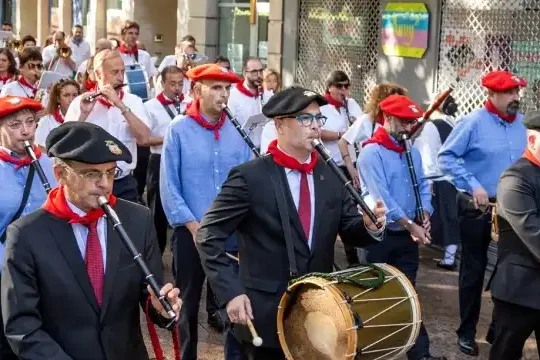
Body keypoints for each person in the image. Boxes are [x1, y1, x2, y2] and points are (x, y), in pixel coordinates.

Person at [196, 86, 387, 359]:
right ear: (280, 125)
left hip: (315, 314)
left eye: (318, 119)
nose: (315, 126)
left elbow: (349, 229)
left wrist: (368, 225)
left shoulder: (331, 174)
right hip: (261, 314)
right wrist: (231, 292)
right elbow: (208, 235)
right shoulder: (250, 177)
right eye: (305, 119)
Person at [1, 121, 181, 359]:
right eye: (91, 174)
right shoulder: (26, 234)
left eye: (110, 172)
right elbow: (21, 326)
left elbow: (149, 293)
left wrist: (163, 310)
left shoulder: (138, 219)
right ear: (60, 174)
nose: (105, 184)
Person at [160, 63, 252, 359]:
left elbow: (248, 181)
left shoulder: (239, 131)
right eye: (216, 87)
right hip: (191, 234)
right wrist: (192, 225)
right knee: (187, 303)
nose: (223, 94)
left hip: (231, 235)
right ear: (197, 90)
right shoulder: (178, 129)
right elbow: (169, 186)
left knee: (233, 301)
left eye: (227, 88)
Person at [438, 70, 527, 356]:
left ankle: (497, 327)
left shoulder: (523, 125)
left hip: (512, 209)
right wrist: (473, 184)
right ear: (492, 95)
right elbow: (446, 157)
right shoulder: (472, 123)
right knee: (473, 272)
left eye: (517, 91)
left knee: (508, 271)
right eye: (510, 92)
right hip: (478, 208)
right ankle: (466, 331)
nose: (516, 97)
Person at [358, 94, 445, 360]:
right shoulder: (371, 153)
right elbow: (382, 197)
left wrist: (426, 213)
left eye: (412, 122)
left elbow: (422, 186)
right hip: (380, 235)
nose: (410, 128)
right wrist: (410, 226)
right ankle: (365, 350)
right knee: (373, 296)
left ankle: (421, 354)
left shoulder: (412, 152)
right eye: (405, 123)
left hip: (406, 236)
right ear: (389, 119)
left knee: (408, 294)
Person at [0, 96, 57, 360]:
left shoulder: (49, 165)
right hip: (3, 271)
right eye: (15, 125)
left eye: (30, 123)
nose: (25, 131)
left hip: (44, 269)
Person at [485, 111, 540, 360]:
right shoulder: (515, 178)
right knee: (505, 355)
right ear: (532, 141)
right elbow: (534, 233)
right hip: (520, 290)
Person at [65, 49, 151, 203]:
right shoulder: (80, 102)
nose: (120, 77)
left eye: (122, 72)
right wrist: (83, 114)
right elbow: (68, 144)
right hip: (91, 184)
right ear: (98, 74)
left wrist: (120, 105)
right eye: (114, 72)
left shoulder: (134, 102)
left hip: (123, 182)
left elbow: (144, 138)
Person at [143, 65, 189, 255]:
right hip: (159, 159)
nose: (177, 88)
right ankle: (155, 254)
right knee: (158, 211)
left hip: (185, 160)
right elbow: (145, 139)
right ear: (162, 84)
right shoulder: (150, 107)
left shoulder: (190, 104)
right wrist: (171, 138)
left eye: (180, 83)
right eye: (172, 84)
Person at [320, 70, 363, 267]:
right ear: (330, 87)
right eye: (340, 86)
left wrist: (354, 125)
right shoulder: (321, 106)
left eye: (347, 86)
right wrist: (341, 135)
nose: (344, 90)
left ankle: (352, 258)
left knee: (350, 208)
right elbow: (317, 131)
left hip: (350, 162)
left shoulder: (350, 105)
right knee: (332, 209)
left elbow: (361, 127)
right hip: (331, 163)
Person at [414, 95, 460, 270]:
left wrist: (428, 178)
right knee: (450, 216)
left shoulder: (433, 126)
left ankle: (444, 255)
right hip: (452, 177)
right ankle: (449, 256)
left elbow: (429, 154)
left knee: (431, 214)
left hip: (437, 178)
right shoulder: (453, 124)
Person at [338, 83, 407, 188]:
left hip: (396, 177)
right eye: (393, 100)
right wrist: (352, 170)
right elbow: (342, 142)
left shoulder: (402, 123)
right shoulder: (367, 120)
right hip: (373, 178)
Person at [227, 56, 274, 152]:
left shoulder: (269, 96)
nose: (259, 75)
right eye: (254, 72)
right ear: (245, 73)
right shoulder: (233, 96)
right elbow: (229, 128)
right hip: (242, 149)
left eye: (261, 71)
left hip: (265, 149)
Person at [35, 79, 80, 151]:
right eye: (66, 95)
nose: (71, 99)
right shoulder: (46, 121)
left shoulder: (84, 118)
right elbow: (39, 148)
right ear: (58, 99)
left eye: (74, 95)